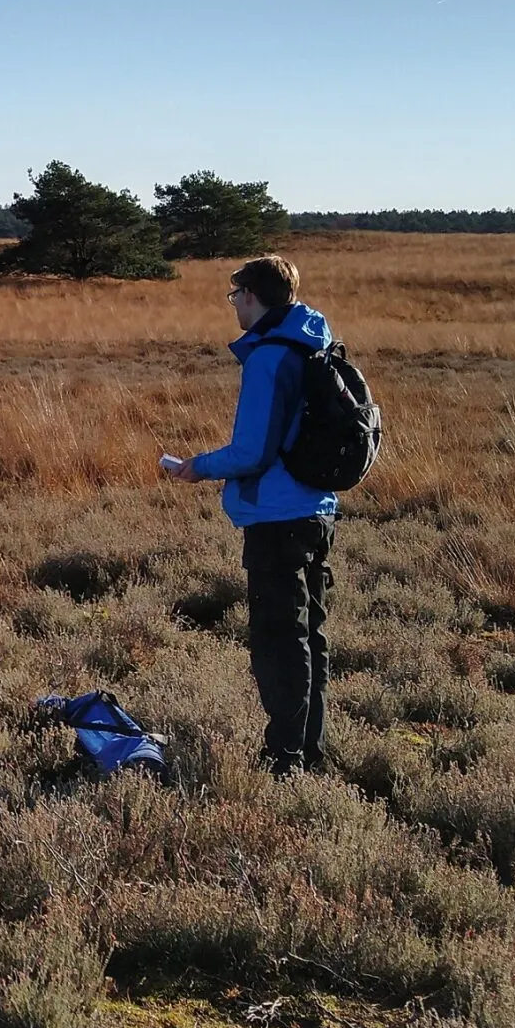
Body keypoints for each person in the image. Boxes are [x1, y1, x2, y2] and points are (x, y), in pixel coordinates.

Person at [166, 254, 337, 776]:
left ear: (254, 297)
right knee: (309, 636)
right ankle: (308, 748)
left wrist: (197, 466)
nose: (233, 304)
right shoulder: (312, 340)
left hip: (277, 519)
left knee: (278, 641)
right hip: (316, 509)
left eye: (235, 295)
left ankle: (284, 760)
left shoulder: (268, 357)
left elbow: (253, 452)